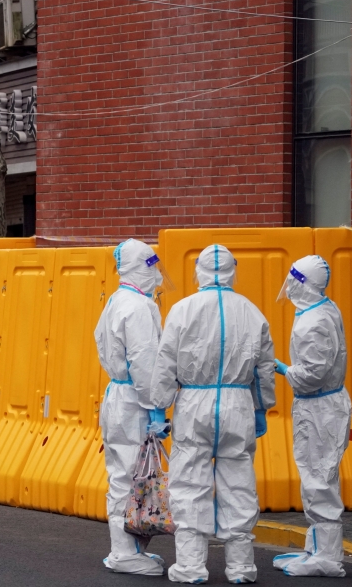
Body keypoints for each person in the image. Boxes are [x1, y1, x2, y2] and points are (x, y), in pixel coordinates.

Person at [151, 244, 276, 584]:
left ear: (200, 271)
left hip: (194, 404)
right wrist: (262, 405)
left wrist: (159, 407)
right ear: (233, 271)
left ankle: (191, 566)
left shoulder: (182, 310)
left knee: (189, 482)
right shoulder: (252, 312)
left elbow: (165, 363)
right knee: (239, 483)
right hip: (238, 406)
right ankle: (241, 566)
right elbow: (264, 367)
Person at [94, 239, 173, 575]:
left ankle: (131, 549)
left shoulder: (118, 300)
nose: (157, 273)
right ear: (142, 266)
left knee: (128, 475)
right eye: (151, 266)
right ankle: (124, 552)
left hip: (120, 397)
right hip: (134, 403)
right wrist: (156, 406)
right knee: (129, 478)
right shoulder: (138, 307)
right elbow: (144, 362)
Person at [272, 255, 351, 578]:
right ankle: (317, 547)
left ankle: (327, 558)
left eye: (293, 279)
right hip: (321, 406)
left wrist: (282, 369)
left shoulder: (314, 321)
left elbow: (311, 374)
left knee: (319, 481)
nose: (288, 285)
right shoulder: (322, 310)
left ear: (303, 282)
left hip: (319, 408)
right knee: (317, 477)